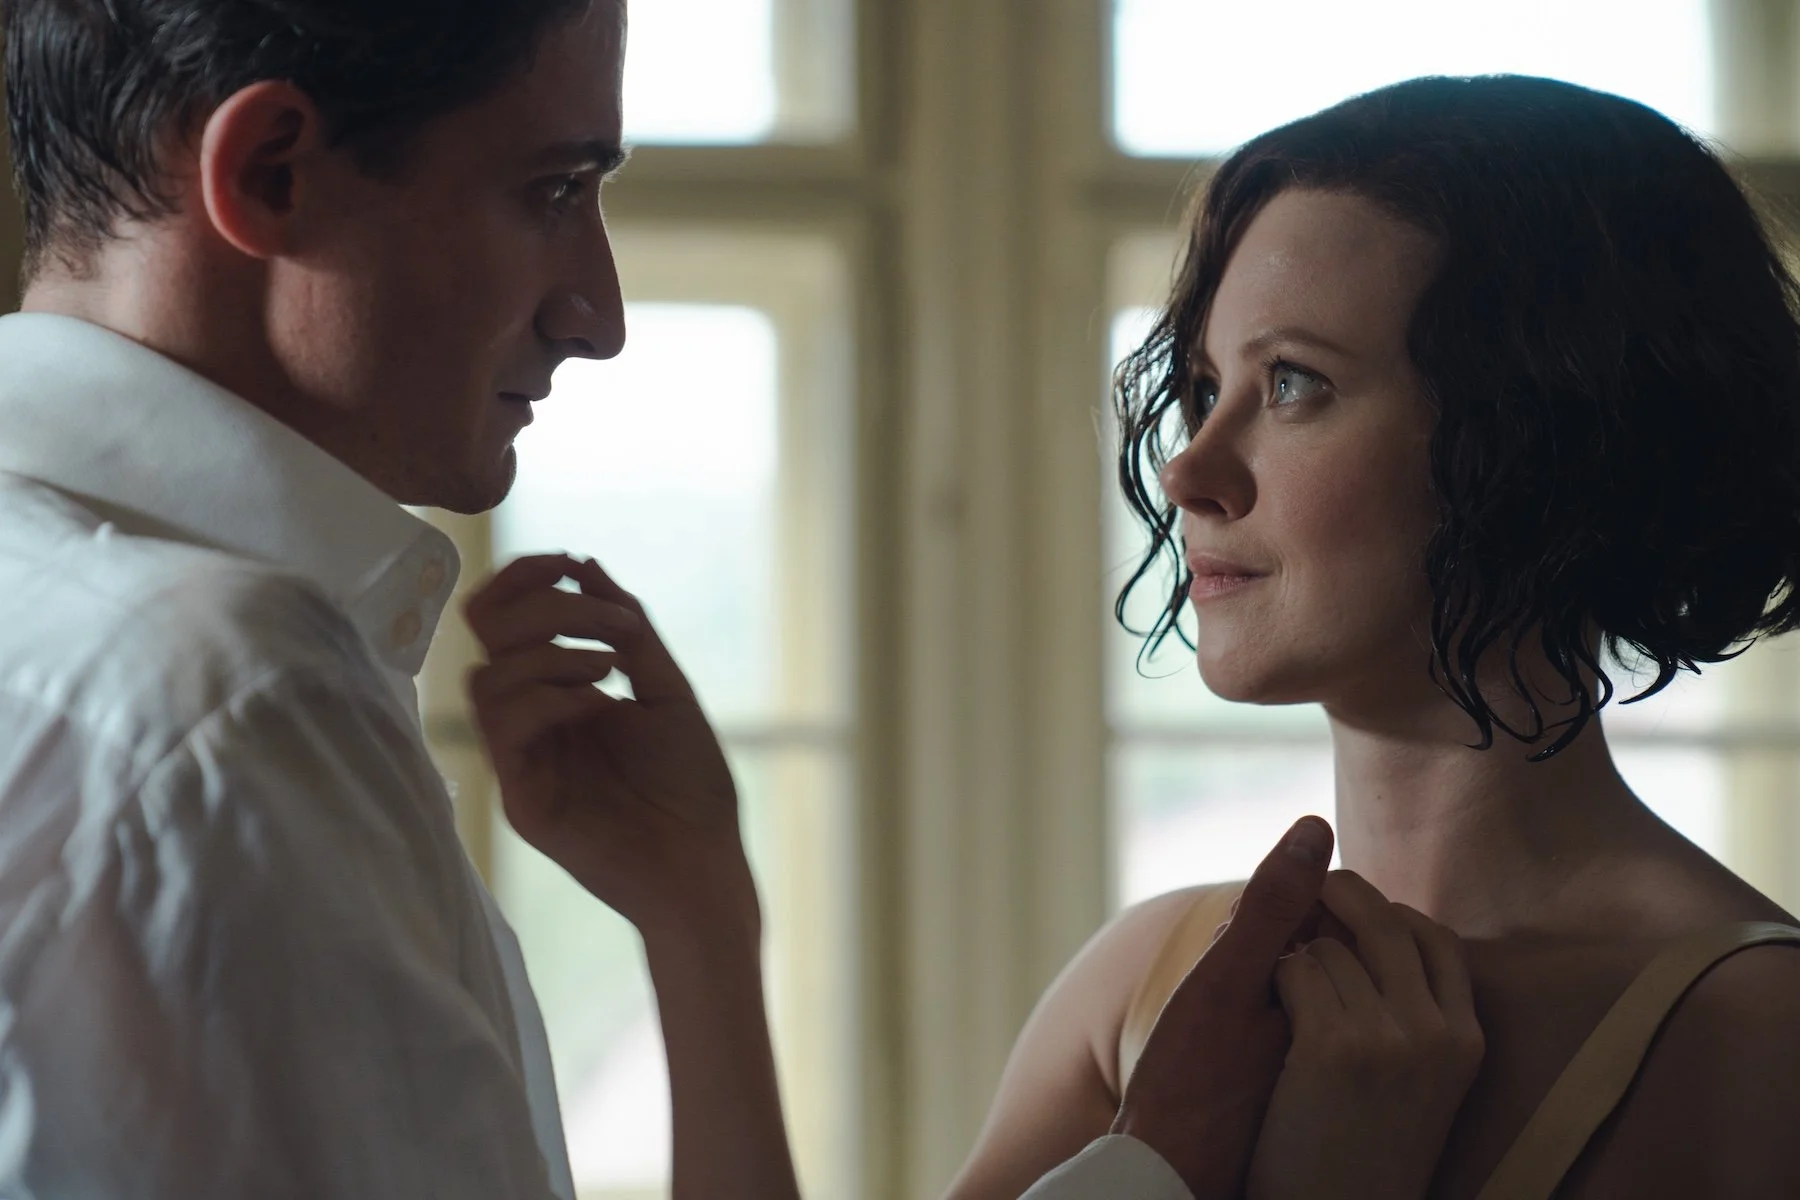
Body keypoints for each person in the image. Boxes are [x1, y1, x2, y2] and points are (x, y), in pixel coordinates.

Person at [0, 1, 1326, 1197]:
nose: (600, 314)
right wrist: (1156, 1169)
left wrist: (697, 924)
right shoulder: (227, 705)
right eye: (552, 189)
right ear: (270, 172)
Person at [946, 75, 1800, 1200]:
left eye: (1292, 382)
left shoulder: (1755, 1041)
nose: (1190, 467)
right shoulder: (1143, 985)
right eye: (1205, 385)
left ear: (1543, 442)